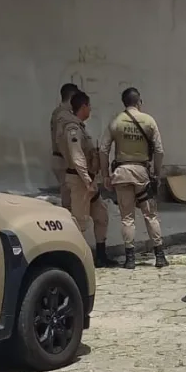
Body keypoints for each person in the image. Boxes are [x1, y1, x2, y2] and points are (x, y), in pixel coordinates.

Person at [99, 87, 168, 269]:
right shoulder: (149, 121)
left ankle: (130, 259)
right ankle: (159, 256)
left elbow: (103, 149)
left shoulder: (116, 122)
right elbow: (159, 151)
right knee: (150, 215)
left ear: (124, 102)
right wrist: (157, 174)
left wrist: (105, 174)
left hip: (122, 173)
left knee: (127, 218)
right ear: (139, 102)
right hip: (142, 173)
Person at [58, 91, 116, 268]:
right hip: (80, 181)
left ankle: (100, 255)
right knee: (80, 221)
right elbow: (77, 158)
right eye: (89, 106)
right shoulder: (72, 129)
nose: (90, 109)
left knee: (101, 216)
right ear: (83, 107)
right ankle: (76, 262)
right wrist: (87, 181)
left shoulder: (81, 127)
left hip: (89, 181)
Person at [51, 83, 80, 211]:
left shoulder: (57, 112)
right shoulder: (63, 115)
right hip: (63, 160)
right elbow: (61, 140)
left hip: (61, 158)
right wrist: (71, 160)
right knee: (68, 200)